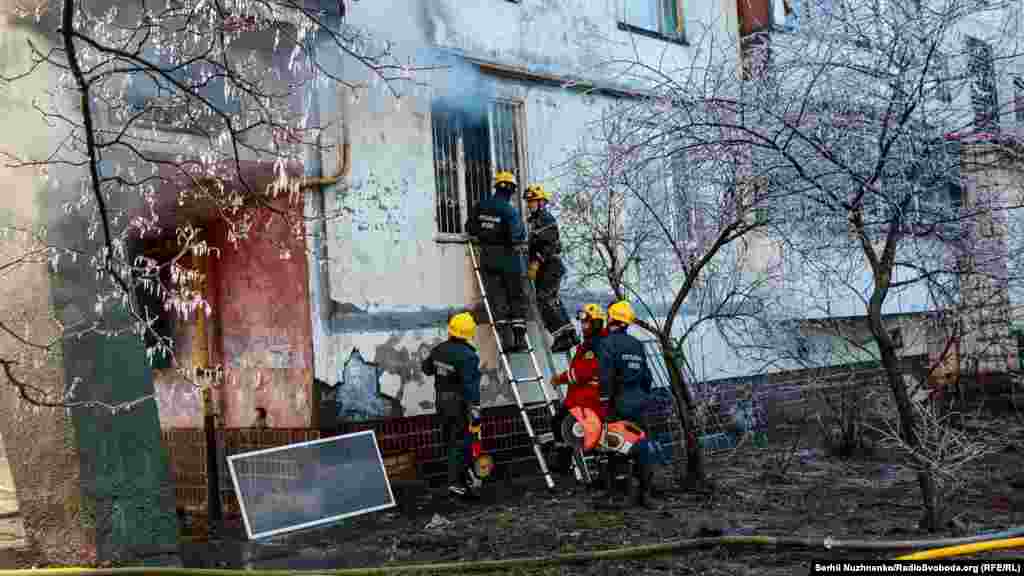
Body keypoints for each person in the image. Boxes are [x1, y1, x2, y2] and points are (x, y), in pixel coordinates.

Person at [597, 300, 657, 508]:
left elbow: (605, 378)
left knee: (616, 448)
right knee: (642, 447)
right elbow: (647, 377)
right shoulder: (637, 345)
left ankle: (619, 497)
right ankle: (646, 494)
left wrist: (604, 404)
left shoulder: (607, 344)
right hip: (639, 402)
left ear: (611, 318)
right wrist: (641, 396)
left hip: (618, 403)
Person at [420, 312, 483, 499]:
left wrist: (444, 369)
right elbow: (470, 387)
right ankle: (457, 482)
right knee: (463, 441)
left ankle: (459, 480)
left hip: (441, 400)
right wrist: (475, 410)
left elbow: (427, 369)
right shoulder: (469, 356)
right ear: (469, 333)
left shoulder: (439, 349)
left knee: (450, 440)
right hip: (459, 402)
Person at [466, 171, 529, 353]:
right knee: (515, 297)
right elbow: (517, 236)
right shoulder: (509, 211)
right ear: (511, 190)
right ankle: (519, 341)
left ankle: (505, 340)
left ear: (496, 187)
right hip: (508, 257)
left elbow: (470, 228)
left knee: (496, 297)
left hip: (486, 257)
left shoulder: (481, 206)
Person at [548, 303, 608, 474]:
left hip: (585, 399)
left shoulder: (595, 345)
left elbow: (584, 372)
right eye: (582, 323)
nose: (583, 326)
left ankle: (564, 463)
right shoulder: (592, 343)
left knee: (561, 423)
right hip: (580, 397)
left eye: (586, 323)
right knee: (562, 424)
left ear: (596, 323)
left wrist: (560, 379)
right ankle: (571, 464)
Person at [524, 184, 579, 353]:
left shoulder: (545, 219)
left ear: (541, 202)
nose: (529, 204)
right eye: (528, 201)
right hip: (548, 267)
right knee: (553, 300)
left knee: (544, 300)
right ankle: (569, 333)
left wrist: (536, 262)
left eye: (532, 201)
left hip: (549, 267)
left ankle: (561, 337)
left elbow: (552, 245)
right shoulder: (536, 221)